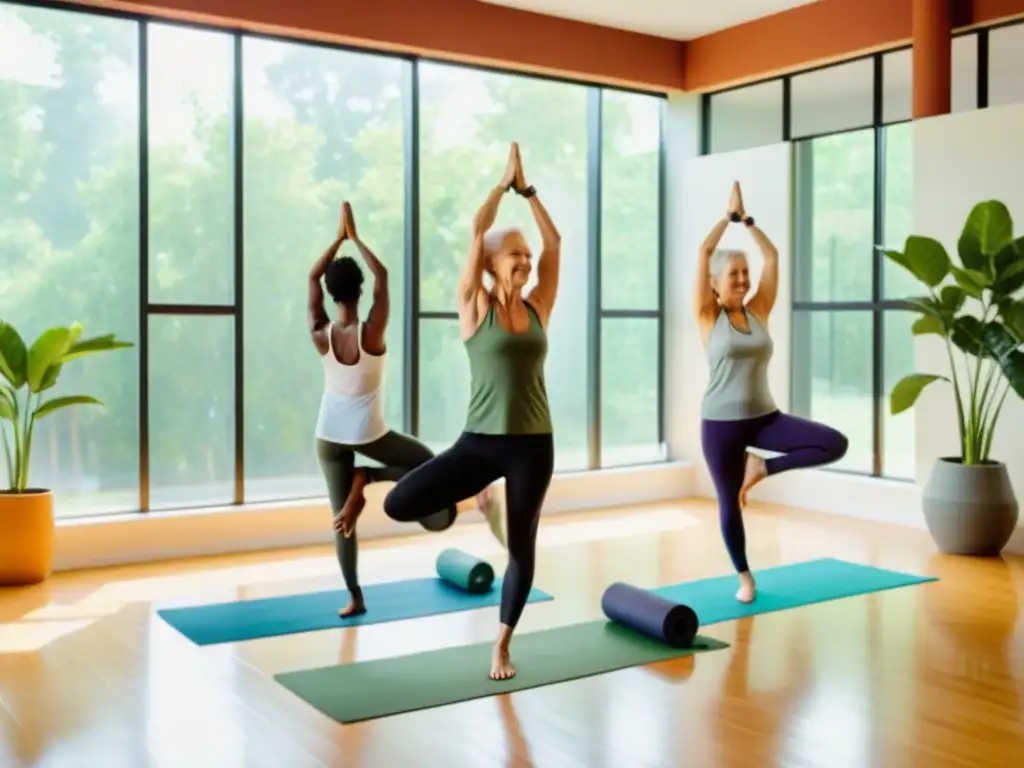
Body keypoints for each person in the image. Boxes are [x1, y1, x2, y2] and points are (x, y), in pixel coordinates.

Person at [383, 142, 560, 681]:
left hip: (533, 442)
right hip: (480, 441)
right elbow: (475, 228)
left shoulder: (537, 307)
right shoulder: (473, 304)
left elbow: (555, 241)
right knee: (399, 503)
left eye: (527, 256)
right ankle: (477, 498)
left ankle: (501, 644)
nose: (527, 262)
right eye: (515, 255)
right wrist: (501, 185)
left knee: (524, 549)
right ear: (489, 262)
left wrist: (528, 192)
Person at [308, 202, 504, 619]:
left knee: (342, 520)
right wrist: (355, 238)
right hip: (369, 435)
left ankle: (355, 597)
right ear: (360, 291)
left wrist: (336, 240)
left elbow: (311, 275)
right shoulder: (373, 331)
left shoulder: (320, 333)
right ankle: (369, 476)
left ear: (329, 293)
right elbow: (383, 275)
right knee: (427, 466)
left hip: (328, 436)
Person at [693, 181, 848, 604]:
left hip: (765, 418)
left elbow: (773, 257)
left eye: (745, 273)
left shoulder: (758, 310)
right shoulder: (708, 315)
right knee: (728, 502)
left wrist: (749, 222)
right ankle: (745, 578)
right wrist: (727, 219)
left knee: (833, 444)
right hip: (720, 424)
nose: (743, 279)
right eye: (734, 274)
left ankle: (761, 470)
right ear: (714, 284)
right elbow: (704, 253)